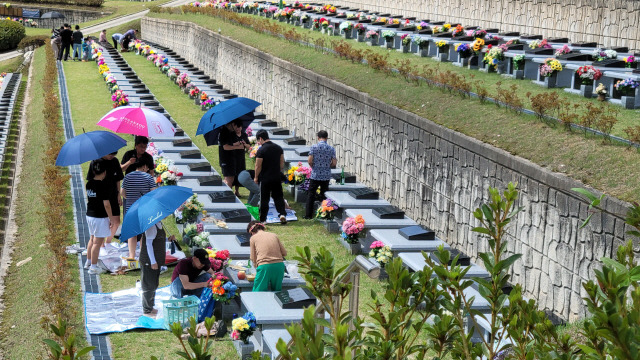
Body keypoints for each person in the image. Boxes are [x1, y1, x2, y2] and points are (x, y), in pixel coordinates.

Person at [121, 161, 156, 259]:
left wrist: (130, 197)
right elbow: (153, 193)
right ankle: (143, 254)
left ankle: (131, 255)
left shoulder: (127, 176)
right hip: (144, 209)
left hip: (131, 209)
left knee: (132, 234)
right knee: (144, 233)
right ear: (144, 166)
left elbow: (122, 192)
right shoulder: (148, 178)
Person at [87, 152, 124, 245]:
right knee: (103, 222)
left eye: (114, 154)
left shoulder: (114, 161)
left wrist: (118, 194)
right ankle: (101, 244)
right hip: (101, 197)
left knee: (116, 221)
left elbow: (118, 178)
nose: (112, 156)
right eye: (110, 154)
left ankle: (108, 242)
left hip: (112, 194)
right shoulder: (95, 162)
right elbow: (91, 181)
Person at [84, 159, 113, 275]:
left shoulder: (89, 183)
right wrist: (110, 218)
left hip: (90, 215)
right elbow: (107, 204)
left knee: (92, 239)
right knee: (97, 242)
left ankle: (88, 262)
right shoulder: (103, 185)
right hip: (99, 217)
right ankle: (93, 267)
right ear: (104, 172)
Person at [140, 222, 175, 317]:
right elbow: (149, 244)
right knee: (148, 284)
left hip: (157, 260)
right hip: (149, 261)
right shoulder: (151, 226)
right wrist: (152, 262)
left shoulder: (159, 224)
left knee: (154, 284)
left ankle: (150, 307)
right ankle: (147, 310)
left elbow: (158, 241)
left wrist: (168, 240)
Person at [254, 130, 287, 224]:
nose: (258, 143)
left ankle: (263, 219)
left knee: (264, 199)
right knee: (278, 196)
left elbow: (258, 166)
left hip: (265, 178)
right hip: (276, 177)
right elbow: (281, 164)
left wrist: (256, 177)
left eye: (258, 140)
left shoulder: (261, 150)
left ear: (260, 138)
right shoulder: (278, 148)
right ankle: (282, 214)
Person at [304, 130, 337, 219]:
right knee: (324, 194)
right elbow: (334, 163)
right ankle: (323, 214)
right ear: (326, 138)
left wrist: (314, 167)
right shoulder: (331, 149)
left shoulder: (314, 147)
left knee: (311, 194)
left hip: (315, 174)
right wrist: (327, 166)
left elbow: (309, 160)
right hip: (326, 175)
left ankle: (308, 215)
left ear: (318, 138)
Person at [247, 221, 287, 291]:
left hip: (264, 267)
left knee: (258, 293)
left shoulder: (253, 238)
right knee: (277, 294)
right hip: (279, 266)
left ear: (252, 232)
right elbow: (284, 253)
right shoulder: (274, 235)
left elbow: (252, 258)